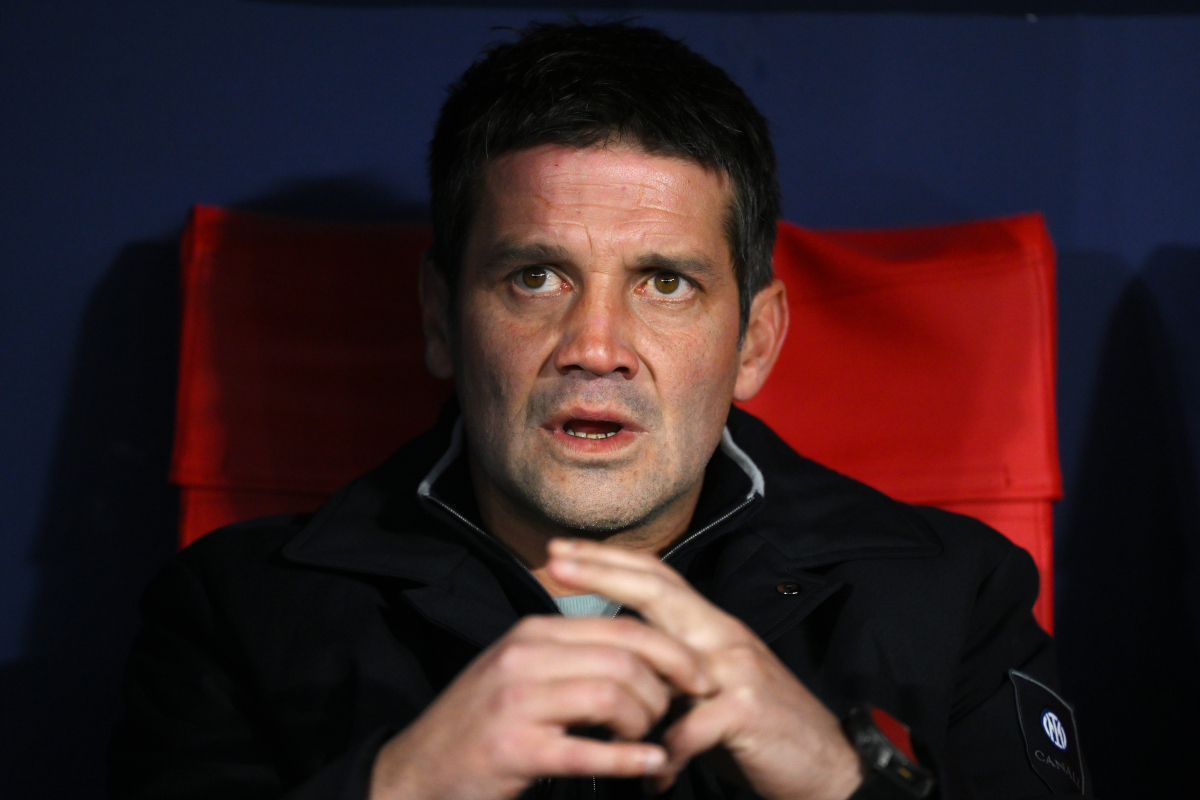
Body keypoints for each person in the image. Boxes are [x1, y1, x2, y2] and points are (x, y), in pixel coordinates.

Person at [109, 21, 1086, 800]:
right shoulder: (231, 608)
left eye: (664, 282)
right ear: (440, 319)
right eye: (535, 275)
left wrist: (841, 777)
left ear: (754, 339)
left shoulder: (960, 594)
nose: (596, 344)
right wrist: (402, 784)